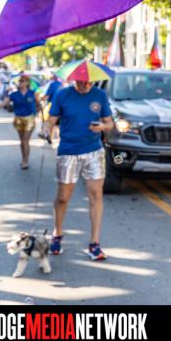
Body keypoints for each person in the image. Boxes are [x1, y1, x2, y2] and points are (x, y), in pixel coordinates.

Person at [41, 78, 114, 260]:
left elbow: (110, 123)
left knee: (96, 195)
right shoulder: (62, 95)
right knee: (63, 198)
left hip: (94, 151)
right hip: (68, 151)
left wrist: (102, 127)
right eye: (82, 82)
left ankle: (94, 243)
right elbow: (51, 120)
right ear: (75, 79)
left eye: (89, 82)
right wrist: (46, 129)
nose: (85, 85)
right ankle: (57, 233)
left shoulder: (100, 95)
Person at [0, 74, 38, 169]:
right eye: (20, 81)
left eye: (22, 81)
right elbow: (3, 104)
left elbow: (39, 105)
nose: (20, 82)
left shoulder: (32, 93)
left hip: (29, 119)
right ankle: (23, 158)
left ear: (27, 83)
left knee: (25, 141)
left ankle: (26, 161)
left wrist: (43, 120)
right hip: (18, 119)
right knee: (22, 141)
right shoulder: (14, 94)